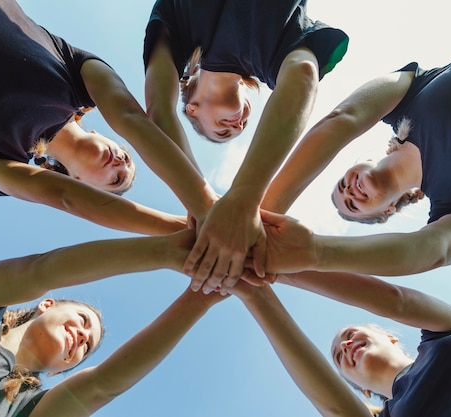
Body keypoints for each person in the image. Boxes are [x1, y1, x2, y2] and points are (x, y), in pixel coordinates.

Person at [0, 0, 216, 236]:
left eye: (117, 179)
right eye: (128, 159)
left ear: (80, 183)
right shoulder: (78, 77)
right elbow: (131, 116)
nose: (120, 162)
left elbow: (66, 199)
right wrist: (206, 207)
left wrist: (182, 233)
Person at [256, 28, 451, 278]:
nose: (349, 192)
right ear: (387, 211)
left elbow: (343, 118)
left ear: (356, 166)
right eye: (352, 204)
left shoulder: (407, 98)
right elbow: (438, 250)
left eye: (342, 185)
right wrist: (316, 251)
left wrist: (258, 217)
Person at [0, 228, 229, 416]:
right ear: (46, 303)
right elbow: (40, 270)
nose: (82, 337)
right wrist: (168, 251)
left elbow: (103, 384)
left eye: (85, 347)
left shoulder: (25, 408)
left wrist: (200, 298)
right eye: (83, 321)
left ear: (58, 371)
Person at [143, 0, 349, 290]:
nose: (238, 126)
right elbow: (303, 71)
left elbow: (158, 111)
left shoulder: (179, 34)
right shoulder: (274, 54)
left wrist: (213, 205)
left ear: (192, 109)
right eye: (240, 129)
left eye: (222, 132)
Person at [231, 270, 451, 416]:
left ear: (390, 336)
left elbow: (397, 300)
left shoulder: (444, 336)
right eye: (337, 356)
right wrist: (256, 294)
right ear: (362, 389)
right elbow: (333, 405)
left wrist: (273, 268)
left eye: (349, 334)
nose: (345, 345)